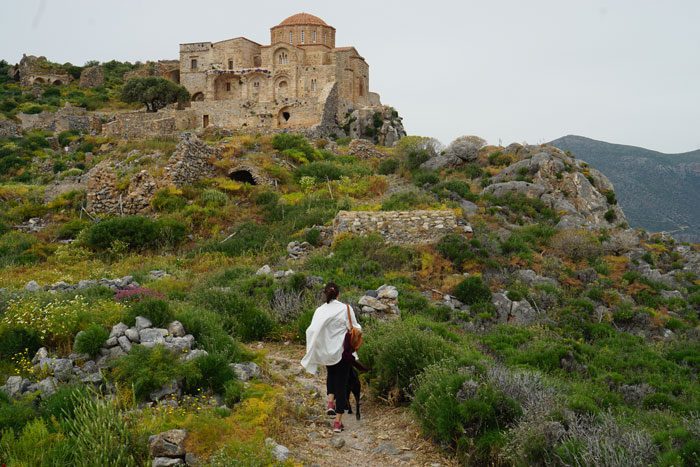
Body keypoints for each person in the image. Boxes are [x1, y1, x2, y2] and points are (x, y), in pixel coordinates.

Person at [301, 282, 364, 433]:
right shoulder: (346, 308)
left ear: (325, 294)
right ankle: (337, 423)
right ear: (338, 294)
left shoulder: (319, 311)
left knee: (331, 375)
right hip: (342, 352)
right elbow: (354, 327)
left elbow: (312, 330)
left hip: (327, 353)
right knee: (342, 385)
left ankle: (330, 403)